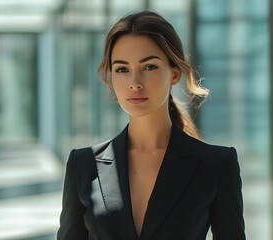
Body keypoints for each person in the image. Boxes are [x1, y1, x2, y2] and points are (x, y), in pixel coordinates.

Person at [57, 10, 245, 240]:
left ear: (174, 73)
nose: (135, 83)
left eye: (149, 67)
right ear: (111, 77)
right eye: (122, 69)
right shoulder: (83, 165)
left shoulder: (216, 165)